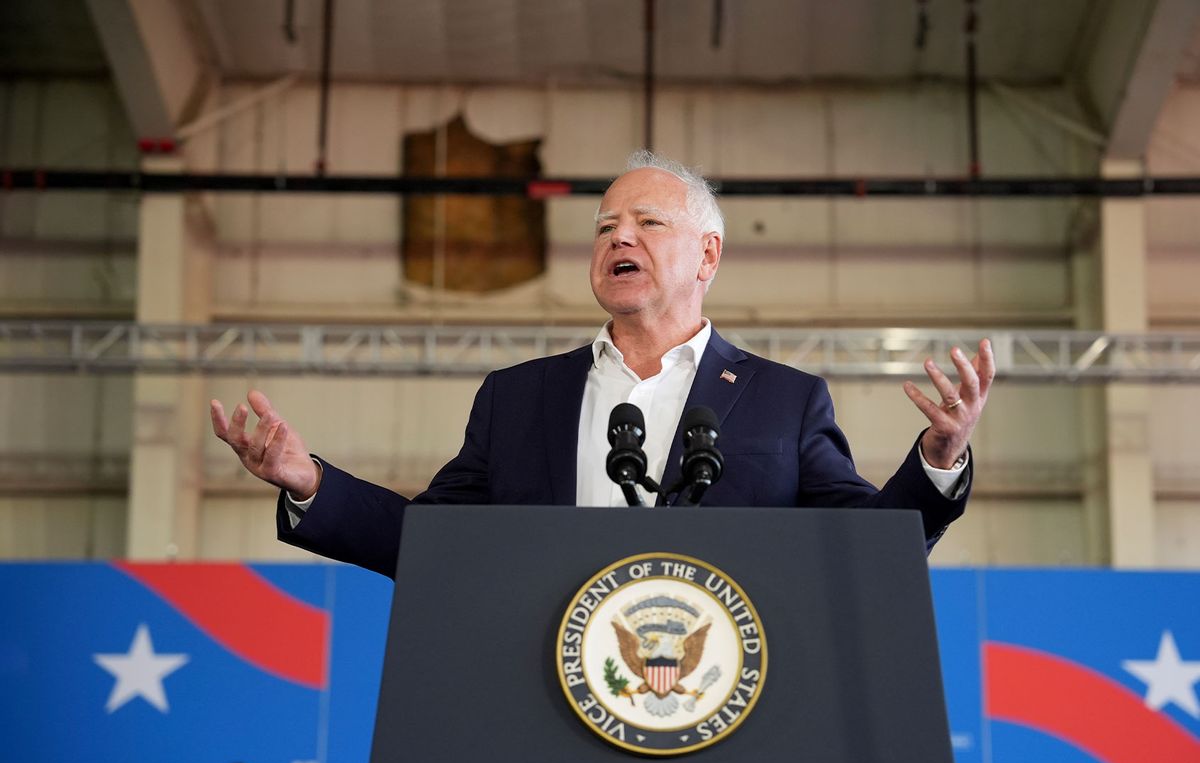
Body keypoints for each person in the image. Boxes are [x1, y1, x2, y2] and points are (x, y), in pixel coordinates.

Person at [211, 151, 994, 578]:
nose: (620, 238)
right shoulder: (518, 398)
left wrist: (937, 459)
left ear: (708, 254)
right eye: (605, 227)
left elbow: (867, 545)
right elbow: (433, 539)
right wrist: (310, 482)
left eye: (648, 222)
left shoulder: (784, 400)